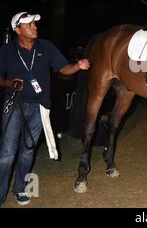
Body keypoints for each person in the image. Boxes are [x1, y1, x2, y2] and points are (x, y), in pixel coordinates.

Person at [0, 11, 90, 206]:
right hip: (15, 106)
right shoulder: (6, 50)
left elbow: (63, 68)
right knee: (7, 152)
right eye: (29, 24)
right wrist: (9, 83)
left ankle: (20, 189)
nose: (34, 26)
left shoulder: (46, 47)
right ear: (18, 29)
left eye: (34, 23)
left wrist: (78, 66)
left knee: (27, 151)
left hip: (40, 107)